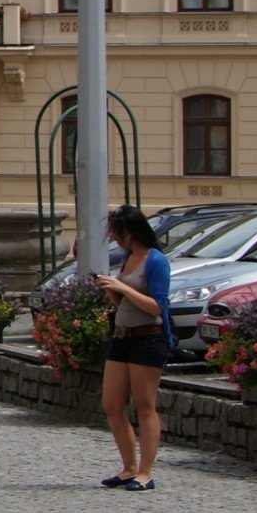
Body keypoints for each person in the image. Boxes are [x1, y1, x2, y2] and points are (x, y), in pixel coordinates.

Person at [95, 204, 174, 491]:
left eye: (119, 233)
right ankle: (128, 468)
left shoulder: (156, 261)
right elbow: (125, 303)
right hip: (122, 336)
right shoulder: (128, 258)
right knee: (112, 404)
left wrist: (125, 288)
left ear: (133, 231)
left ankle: (145, 472)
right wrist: (113, 293)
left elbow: (157, 307)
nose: (116, 238)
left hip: (148, 338)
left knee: (144, 405)